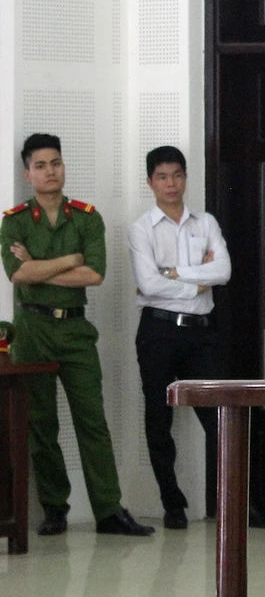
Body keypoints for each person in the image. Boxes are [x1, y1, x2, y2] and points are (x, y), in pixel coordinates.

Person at [1, 133, 154, 536]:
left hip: (75, 329)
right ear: (27, 174)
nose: (50, 171)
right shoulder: (14, 221)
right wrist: (70, 258)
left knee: (92, 421)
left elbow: (94, 274)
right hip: (32, 330)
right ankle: (54, 509)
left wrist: (40, 266)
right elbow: (19, 274)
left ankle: (109, 511)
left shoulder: (86, 217)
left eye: (56, 163)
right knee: (40, 424)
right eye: (40, 166)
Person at [127, 145, 265, 530]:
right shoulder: (141, 229)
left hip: (200, 333)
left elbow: (223, 272)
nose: (171, 184)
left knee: (219, 417)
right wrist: (196, 281)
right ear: (150, 182)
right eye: (162, 177)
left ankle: (241, 504)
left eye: (177, 175)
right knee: (158, 419)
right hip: (158, 331)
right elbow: (147, 284)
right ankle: (173, 505)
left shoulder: (205, 222)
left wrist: (174, 273)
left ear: (185, 177)